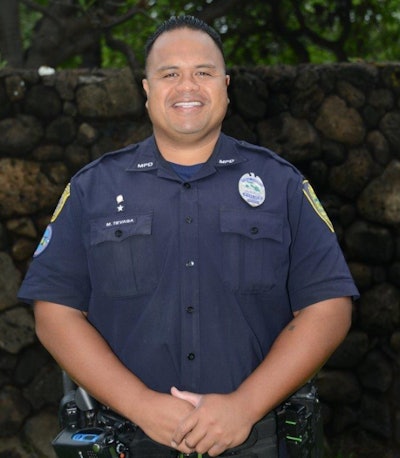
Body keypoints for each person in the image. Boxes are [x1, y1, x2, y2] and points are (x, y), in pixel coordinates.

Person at [18, 15, 359, 458]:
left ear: (226, 85)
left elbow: (328, 307)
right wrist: (143, 406)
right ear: (146, 90)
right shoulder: (93, 189)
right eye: (170, 73)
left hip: (256, 440)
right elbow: (55, 313)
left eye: (203, 72)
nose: (187, 86)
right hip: (128, 440)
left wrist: (243, 407)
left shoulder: (281, 185)